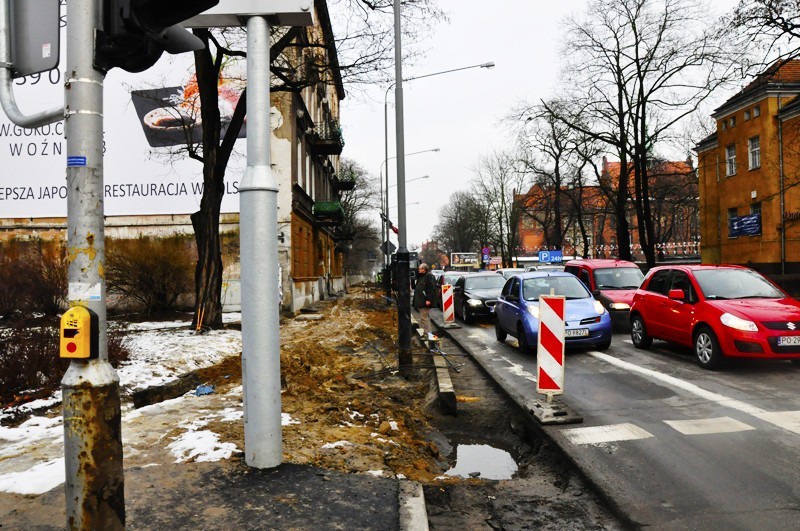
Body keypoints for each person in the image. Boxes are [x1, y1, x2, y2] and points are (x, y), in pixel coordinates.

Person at [413, 263, 438, 340]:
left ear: (424, 269)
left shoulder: (428, 276)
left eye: (420, 269)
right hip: (421, 300)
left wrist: (428, 299)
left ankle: (428, 335)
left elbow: (431, 289)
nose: (418, 270)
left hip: (424, 301)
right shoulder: (421, 276)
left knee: (424, 318)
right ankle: (427, 334)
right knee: (425, 317)